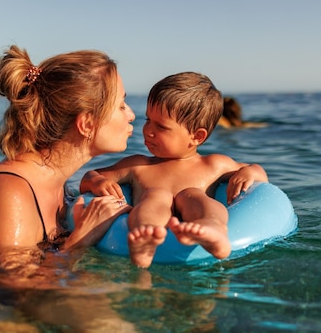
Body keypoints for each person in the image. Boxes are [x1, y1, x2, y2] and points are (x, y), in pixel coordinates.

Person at [0, 45, 135, 254]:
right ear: (87, 125)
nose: (131, 115)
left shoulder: (58, 185)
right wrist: (85, 236)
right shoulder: (11, 192)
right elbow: (12, 285)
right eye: (121, 105)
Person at [80, 72, 269, 268]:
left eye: (160, 126)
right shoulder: (137, 165)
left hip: (196, 227)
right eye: (147, 120)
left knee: (193, 195)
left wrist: (249, 172)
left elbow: (258, 175)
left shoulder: (213, 165)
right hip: (152, 230)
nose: (148, 130)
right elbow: (90, 177)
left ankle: (213, 228)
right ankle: (145, 238)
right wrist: (97, 181)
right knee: (156, 196)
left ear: (197, 136)